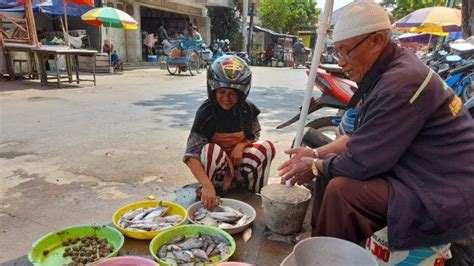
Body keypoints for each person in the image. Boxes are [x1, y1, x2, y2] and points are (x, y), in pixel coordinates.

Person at [278, 0, 474, 251]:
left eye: (346, 51)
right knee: (329, 170)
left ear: (377, 42)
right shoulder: (388, 72)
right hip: (418, 168)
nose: (343, 62)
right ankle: (323, 240)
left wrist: (315, 166)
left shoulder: (400, 82)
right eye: (338, 52)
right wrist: (316, 154)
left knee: (342, 190)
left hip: (443, 187)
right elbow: (359, 137)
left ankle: (329, 254)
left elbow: (361, 162)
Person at [184, 55, 275, 210]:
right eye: (222, 92)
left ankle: (253, 194)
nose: (226, 98)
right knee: (211, 151)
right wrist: (206, 185)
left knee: (266, 147)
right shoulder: (206, 112)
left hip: (238, 166)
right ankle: (211, 193)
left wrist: (241, 145)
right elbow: (191, 156)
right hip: (216, 170)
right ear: (213, 90)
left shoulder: (247, 109)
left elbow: (254, 134)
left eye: (232, 93)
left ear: (241, 93)